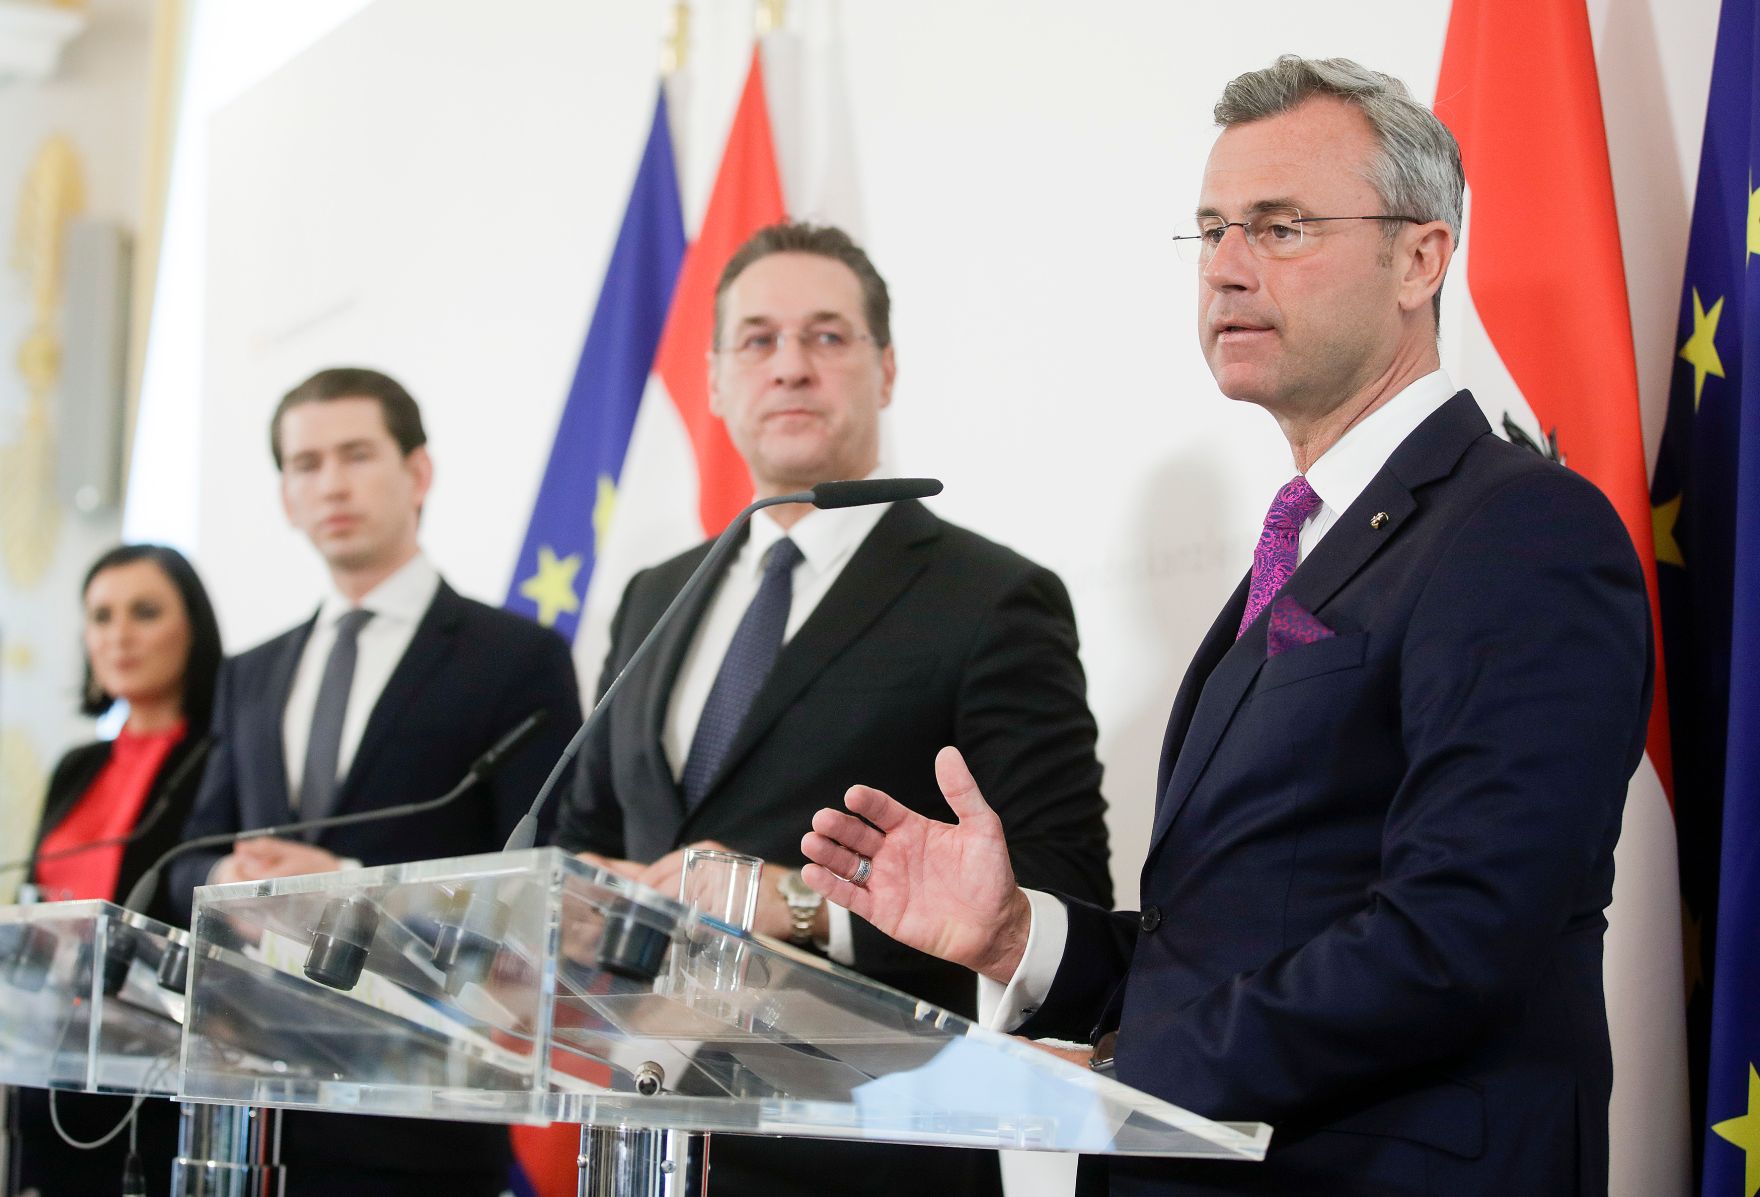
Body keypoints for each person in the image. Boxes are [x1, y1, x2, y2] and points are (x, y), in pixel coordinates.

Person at [801, 57, 1652, 1197]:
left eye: (1279, 227)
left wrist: (1112, 1074)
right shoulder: (1304, 541)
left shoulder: (1518, 529)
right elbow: (1239, 938)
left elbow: (1456, 936)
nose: (1226, 269)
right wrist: (1014, 936)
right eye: (1208, 232)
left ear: (1421, 257)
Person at [555, 221, 1112, 1197]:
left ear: (885, 369)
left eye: (826, 336)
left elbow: (1055, 889)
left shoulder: (989, 598)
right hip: (643, 1139)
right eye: (758, 341)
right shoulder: (652, 597)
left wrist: (784, 905)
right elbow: (593, 834)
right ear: (716, 380)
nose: (791, 367)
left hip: (866, 1149)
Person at [171, 366, 583, 1197]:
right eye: (306, 463)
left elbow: (542, 884)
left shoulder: (515, 658)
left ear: (417, 472)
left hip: (420, 1109)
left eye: (356, 454)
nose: (331, 483)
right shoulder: (250, 672)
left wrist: (354, 889)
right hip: (252, 1107)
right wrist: (229, 879)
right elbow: (185, 858)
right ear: (285, 495)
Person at [15, 543, 222, 1197]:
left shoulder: (224, 759)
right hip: (47, 1065)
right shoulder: (76, 765)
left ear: (193, 627)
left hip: (157, 1080)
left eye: (145, 611)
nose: (120, 634)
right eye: (101, 616)